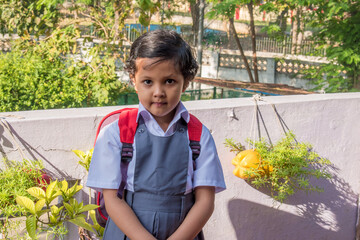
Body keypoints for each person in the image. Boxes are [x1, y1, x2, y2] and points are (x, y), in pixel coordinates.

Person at [86, 29, 226, 240]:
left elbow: (205, 202)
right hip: (127, 232)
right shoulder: (116, 133)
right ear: (134, 80)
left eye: (169, 81)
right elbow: (112, 199)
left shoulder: (198, 136)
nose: (158, 92)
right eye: (148, 82)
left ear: (186, 81)